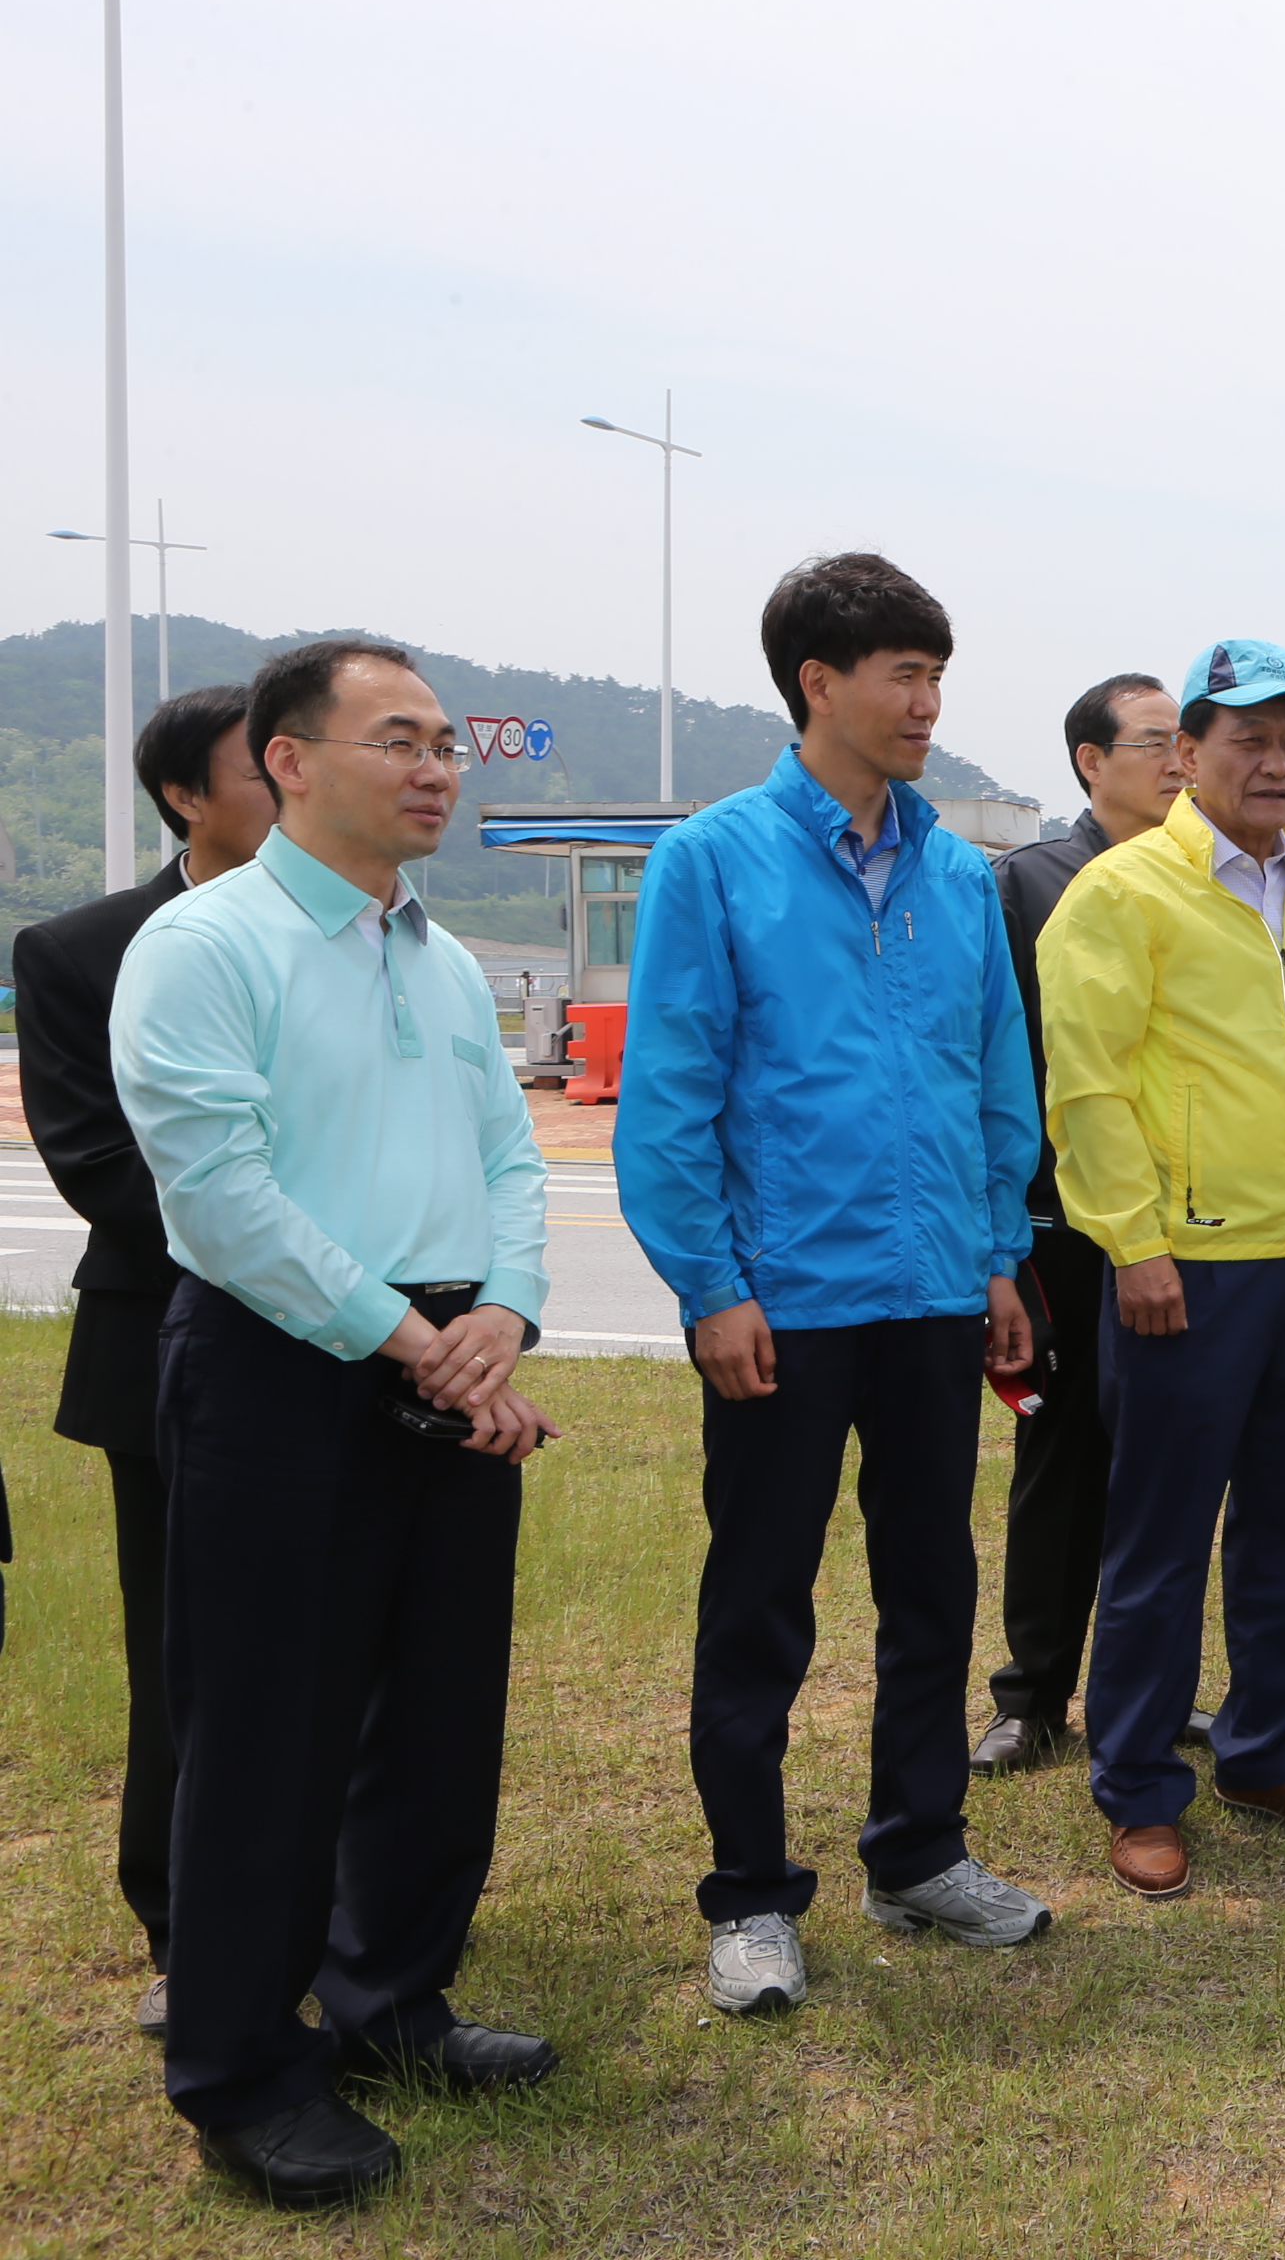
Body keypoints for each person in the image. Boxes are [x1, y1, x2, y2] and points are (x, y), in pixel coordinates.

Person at [112, 639, 562, 2207]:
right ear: (288, 761)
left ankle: (393, 2002)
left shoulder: (442, 958)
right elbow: (218, 1193)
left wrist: (505, 1313)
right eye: (400, 740)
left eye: (446, 743)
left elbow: (512, 1160)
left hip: (448, 1351)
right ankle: (242, 2069)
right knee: (267, 1732)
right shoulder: (206, 944)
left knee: (438, 1716)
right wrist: (416, 1341)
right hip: (280, 1361)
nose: (437, 768)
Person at [618, 553, 1051, 2019]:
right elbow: (671, 1094)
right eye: (903, 675)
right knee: (760, 1605)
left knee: (934, 1587)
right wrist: (710, 1284)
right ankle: (750, 1896)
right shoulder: (713, 860)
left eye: (937, 676)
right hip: (783, 1304)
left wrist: (997, 1254)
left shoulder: (957, 875)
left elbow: (993, 1079)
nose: (928, 704)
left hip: (933, 1294)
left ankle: (918, 1851)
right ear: (818, 683)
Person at [1037, 637, 1285, 1903]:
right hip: (1186, 1268)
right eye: (1250, 738)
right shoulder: (1124, 892)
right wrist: (1132, 1243)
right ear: (1188, 754)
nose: (1277, 761)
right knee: (1161, 1538)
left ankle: (1261, 1749)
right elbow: (1087, 1087)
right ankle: (1139, 1784)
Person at [12, 682, 273, 2042]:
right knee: (186, 1653)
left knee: (347, 1645)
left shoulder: (364, 931)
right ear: (185, 796)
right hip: (172, 1345)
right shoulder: (79, 950)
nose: (293, 783)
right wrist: (298, 1247)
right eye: (263, 767)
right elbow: (103, 1170)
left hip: (362, 1344)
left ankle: (344, 1908)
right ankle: (183, 1925)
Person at [974, 670, 1188, 1776]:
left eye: (1186, 741)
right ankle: (1033, 1694)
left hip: (1189, 1225)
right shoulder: (1028, 884)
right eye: (1156, 742)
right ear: (1090, 762)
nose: (1180, 762)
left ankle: (1153, 1689)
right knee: (1062, 1460)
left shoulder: (1210, 879)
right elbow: (995, 1062)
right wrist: (1002, 1238)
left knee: (1172, 1466)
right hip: (1065, 1225)